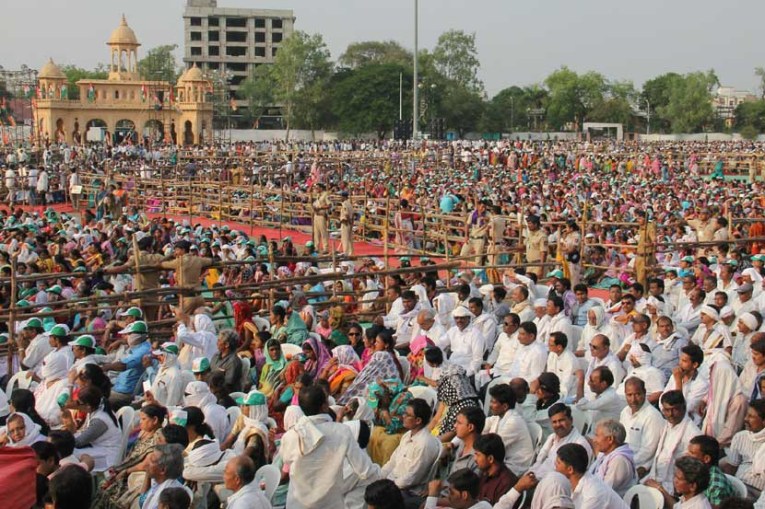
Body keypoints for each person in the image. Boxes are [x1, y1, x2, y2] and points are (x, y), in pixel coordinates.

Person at [280, 385, 380, 509]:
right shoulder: (342, 431)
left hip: (296, 505)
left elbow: (286, 459)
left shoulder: (291, 435)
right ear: (324, 406)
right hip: (330, 504)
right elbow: (365, 470)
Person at [94, 404, 168, 509]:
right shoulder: (143, 432)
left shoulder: (158, 437)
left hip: (138, 474)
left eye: (144, 419)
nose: (141, 422)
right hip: (127, 468)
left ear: (155, 420)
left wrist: (125, 471)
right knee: (103, 486)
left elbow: (146, 463)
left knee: (112, 496)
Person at [380, 398, 440, 506]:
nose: (403, 416)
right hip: (393, 484)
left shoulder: (424, 444)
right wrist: (380, 477)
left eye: (407, 415)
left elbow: (412, 478)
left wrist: (387, 487)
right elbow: (392, 462)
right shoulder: (407, 435)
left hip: (408, 492)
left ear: (418, 421)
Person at [644, 391, 702, 494]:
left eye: (675, 409)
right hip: (654, 479)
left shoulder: (693, 433)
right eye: (667, 410)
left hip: (675, 487)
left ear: (683, 408)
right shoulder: (666, 424)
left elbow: (693, 468)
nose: (670, 414)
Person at [61, 386, 121, 472]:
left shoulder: (99, 421)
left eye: (78, 402)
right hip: (99, 447)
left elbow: (78, 442)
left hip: (108, 456)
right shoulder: (97, 406)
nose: (76, 404)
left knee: (69, 454)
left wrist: (64, 437)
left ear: (88, 406)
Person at [555, 443, 628, 509]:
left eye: (558, 463)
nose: (555, 466)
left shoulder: (592, 494)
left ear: (570, 469)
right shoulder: (572, 483)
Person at [530, 403, 593, 478]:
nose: (558, 425)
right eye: (554, 422)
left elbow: (574, 477)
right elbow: (539, 462)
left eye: (561, 420)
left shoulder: (579, 445)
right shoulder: (552, 437)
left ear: (571, 420)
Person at [483, 383, 534, 475]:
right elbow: (480, 425)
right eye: (491, 401)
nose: (490, 405)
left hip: (515, 467)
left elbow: (492, 447)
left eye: (494, 402)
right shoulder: (498, 416)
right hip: (503, 462)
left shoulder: (513, 422)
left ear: (505, 406)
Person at [619, 377, 665, 477]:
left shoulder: (652, 416)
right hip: (622, 460)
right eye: (629, 395)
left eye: (637, 394)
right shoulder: (625, 412)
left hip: (639, 466)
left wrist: (625, 462)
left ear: (644, 392)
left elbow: (648, 451)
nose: (633, 400)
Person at [720, 398, 765, 497]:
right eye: (746, 415)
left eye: (751, 416)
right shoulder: (740, 437)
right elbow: (732, 466)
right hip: (738, 484)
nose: (745, 419)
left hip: (758, 492)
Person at [588, 419, 637, 497]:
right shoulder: (605, 454)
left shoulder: (619, 460)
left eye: (597, 436)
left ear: (610, 439)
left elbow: (603, 491)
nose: (594, 440)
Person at [686, 435, 735, 507]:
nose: (686, 455)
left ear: (706, 459)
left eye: (692, 453)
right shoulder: (698, 472)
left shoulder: (716, 487)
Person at [139, 444, 192, 509]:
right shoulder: (157, 482)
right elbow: (142, 500)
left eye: (152, 460)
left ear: (162, 470)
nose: (146, 463)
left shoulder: (169, 497)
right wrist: (148, 471)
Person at [473, 433, 518, 504]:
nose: (474, 459)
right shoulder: (483, 474)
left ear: (490, 459)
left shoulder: (506, 482)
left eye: (478, 455)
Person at [424, 468, 492, 509]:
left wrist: (432, 495)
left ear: (464, 495)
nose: (448, 496)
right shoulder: (484, 504)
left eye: (452, 493)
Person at [210, 329, 244, 393]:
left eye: (219, 340)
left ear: (227, 345)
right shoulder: (216, 355)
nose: (217, 343)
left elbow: (228, 384)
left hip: (225, 392)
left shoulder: (234, 361)